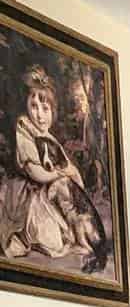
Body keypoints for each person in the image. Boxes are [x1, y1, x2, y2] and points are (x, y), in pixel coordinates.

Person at [0, 66, 107, 272]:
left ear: (53, 111)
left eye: (45, 109)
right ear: (26, 106)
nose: (39, 115)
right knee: (52, 241)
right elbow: (35, 172)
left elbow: (72, 173)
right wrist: (60, 175)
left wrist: (75, 188)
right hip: (27, 194)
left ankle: (72, 233)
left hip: (49, 195)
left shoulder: (51, 139)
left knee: (60, 237)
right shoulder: (24, 127)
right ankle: (25, 236)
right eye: (34, 106)